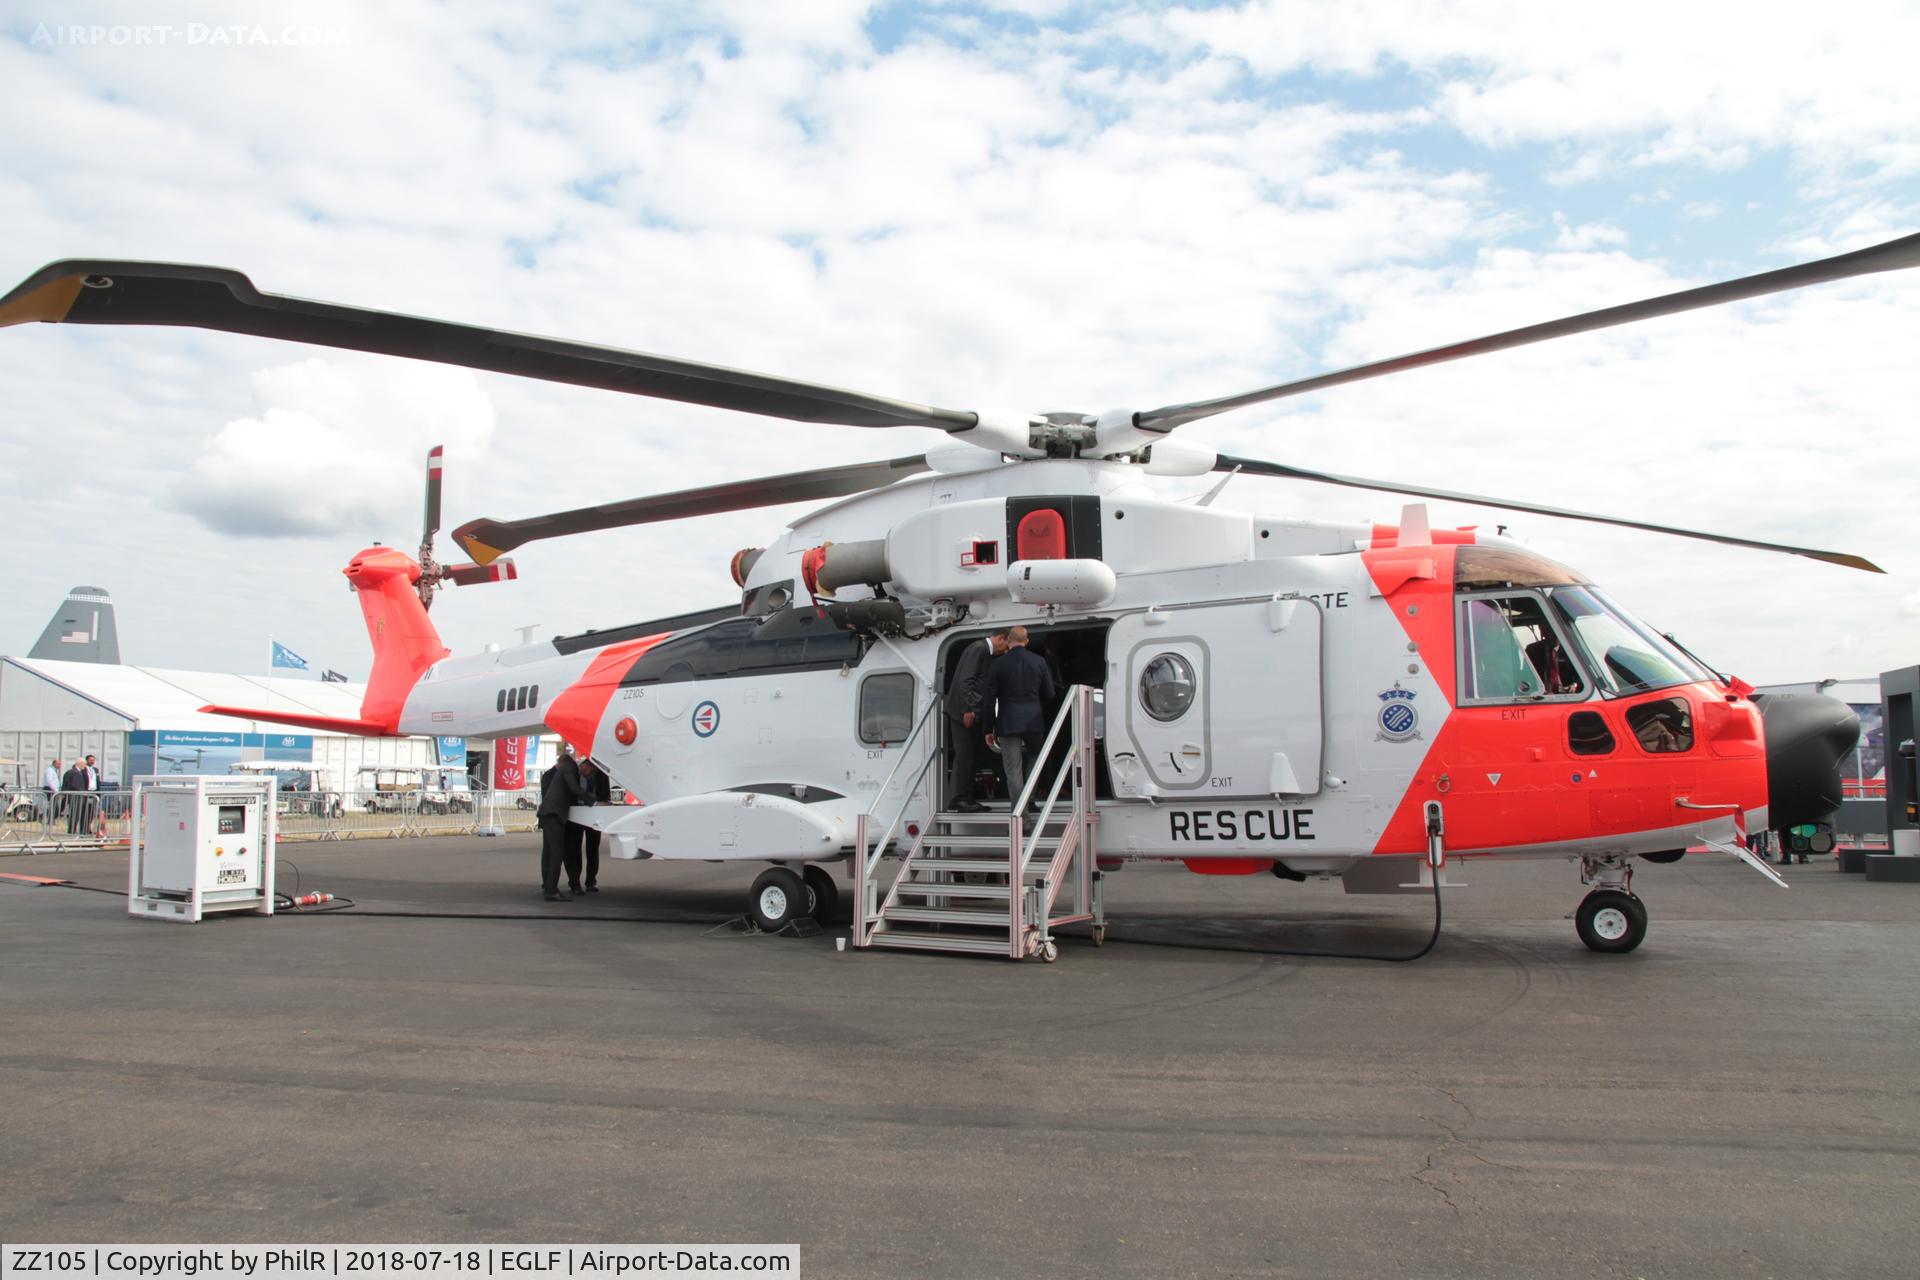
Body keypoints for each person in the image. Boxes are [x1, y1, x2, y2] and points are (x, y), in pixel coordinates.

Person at [983, 625, 1056, 810]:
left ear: (1008, 640)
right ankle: (1030, 799)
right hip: (1033, 720)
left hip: (1007, 722)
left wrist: (987, 729)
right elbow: (1049, 693)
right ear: (1027, 641)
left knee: (1013, 770)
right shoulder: (1039, 661)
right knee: (1035, 758)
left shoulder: (997, 664)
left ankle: (1020, 815)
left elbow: (990, 700)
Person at [944, 631, 1008, 812]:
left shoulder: (981, 650)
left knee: (968, 754)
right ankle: (958, 798)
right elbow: (966, 680)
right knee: (964, 754)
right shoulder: (979, 649)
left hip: (964, 710)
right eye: (1005, 646)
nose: (1004, 651)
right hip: (962, 712)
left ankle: (965, 796)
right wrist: (969, 709)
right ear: (1000, 638)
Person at [536, 747, 588, 901]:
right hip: (554, 815)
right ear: (585, 765)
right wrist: (593, 800)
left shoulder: (563, 770)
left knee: (550, 854)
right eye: (590, 771)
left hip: (549, 815)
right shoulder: (569, 768)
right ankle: (551, 890)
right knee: (557, 854)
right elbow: (574, 790)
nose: (589, 775)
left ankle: (549, 887)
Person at [571, 759, 611, 893]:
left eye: (593, 771)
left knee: (593, 849)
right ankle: (575, 882)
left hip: (594, 815)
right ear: (585, 765)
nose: (591, 773)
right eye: (590, 770)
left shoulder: (601, 775)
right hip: (576, 815)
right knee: (575, 849)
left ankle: (591, 881)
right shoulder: (574, 774)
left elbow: (605, 795)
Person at [60, 760, 87, 834]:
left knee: (73, 813)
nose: (85, 766)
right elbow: (75, 785)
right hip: (76, 797)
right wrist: (83, 792)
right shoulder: (76, 773)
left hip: (71, 797)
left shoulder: (69, 772)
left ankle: (71, 829)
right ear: (80, 764)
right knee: (75, 814)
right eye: (84, 764)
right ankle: (72, 830)